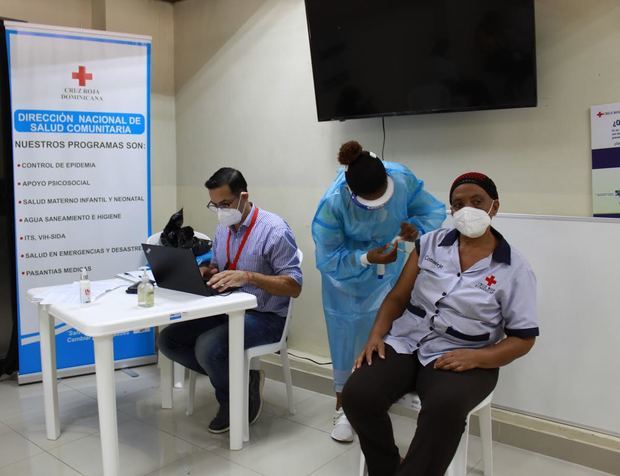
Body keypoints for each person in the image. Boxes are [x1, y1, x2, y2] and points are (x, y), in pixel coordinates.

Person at [342, 172, 539, 476]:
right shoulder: (430, 244)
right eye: (458, 204)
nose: (467, 210)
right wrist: (375, 337)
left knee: (445, 408)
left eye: (477, 202)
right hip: (407, 341)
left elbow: (523, 339)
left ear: (494, 207)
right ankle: (386, 469)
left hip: (465, 355)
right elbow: (397, 298)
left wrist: (478, 357)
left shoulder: (514, 268)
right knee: (357, 394)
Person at [311, 140, 446, 442]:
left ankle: (375, 399)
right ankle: (343, 407)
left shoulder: (401, 178)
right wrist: (366, 258)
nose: (381, 206)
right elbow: (327, 257)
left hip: (391, 273)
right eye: (371, 202)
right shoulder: (333, 203)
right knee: (347, 341)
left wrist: (416, 228)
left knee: (389, 334)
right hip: (345, 281)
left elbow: (431, 211)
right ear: (351, 193)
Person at [158, 167, 302, 433]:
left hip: (266, 317)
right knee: (168, 340)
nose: (221, 210)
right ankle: (242, 381)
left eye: (225, 204)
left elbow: (293, 286)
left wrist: (249, 277)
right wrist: (206, 271)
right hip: (225, 308)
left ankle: (232, 401)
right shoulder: (223, 227)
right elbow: (218, 265)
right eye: (215, 205)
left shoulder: (274, 230)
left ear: (243, 197)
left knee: (208, 347)